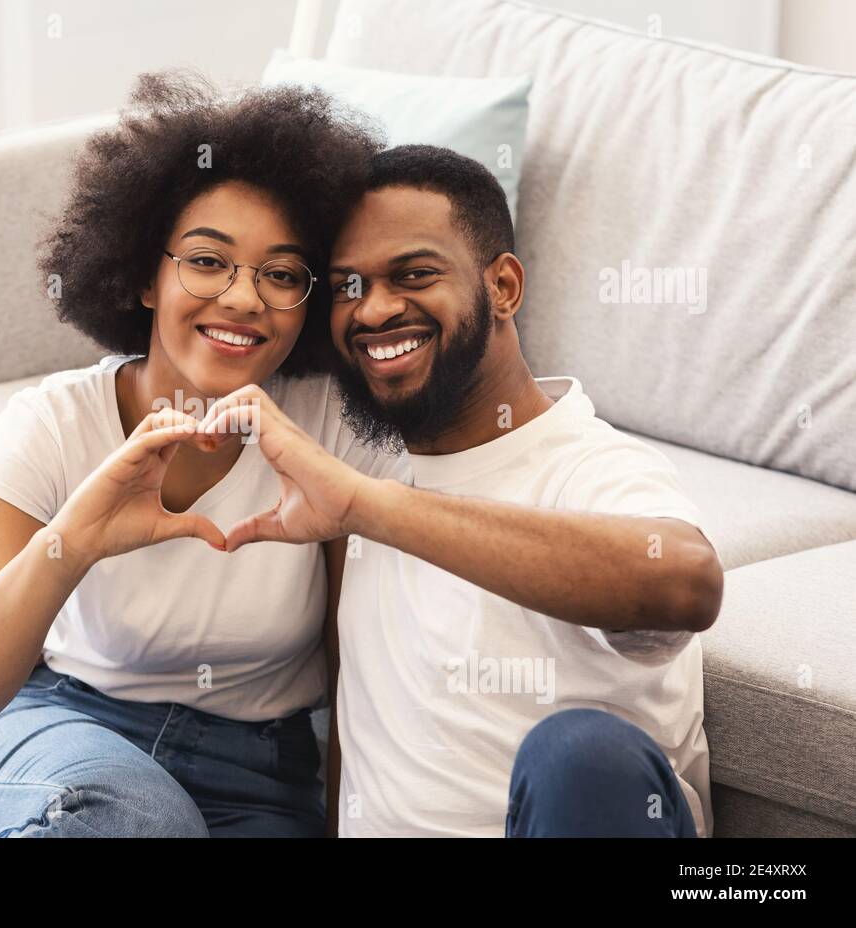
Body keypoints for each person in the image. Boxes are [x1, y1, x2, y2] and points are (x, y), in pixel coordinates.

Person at [0, 71, 396, 837]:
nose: (243, 298)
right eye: (207, 261)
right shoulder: (50, 424)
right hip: (66, 732)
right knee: (137, 820)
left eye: (280, 274)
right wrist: (73, 541)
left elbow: (357, 676)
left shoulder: (326, 429)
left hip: (262, 773)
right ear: (144, 275)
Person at [195, 144, 724, 837]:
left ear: (503, 287)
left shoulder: (589, 466)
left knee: (580, 757)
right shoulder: (359, 467)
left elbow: (685, 584)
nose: (375, 310)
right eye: (348, 287)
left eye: (413, 274)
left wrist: (368, 507)